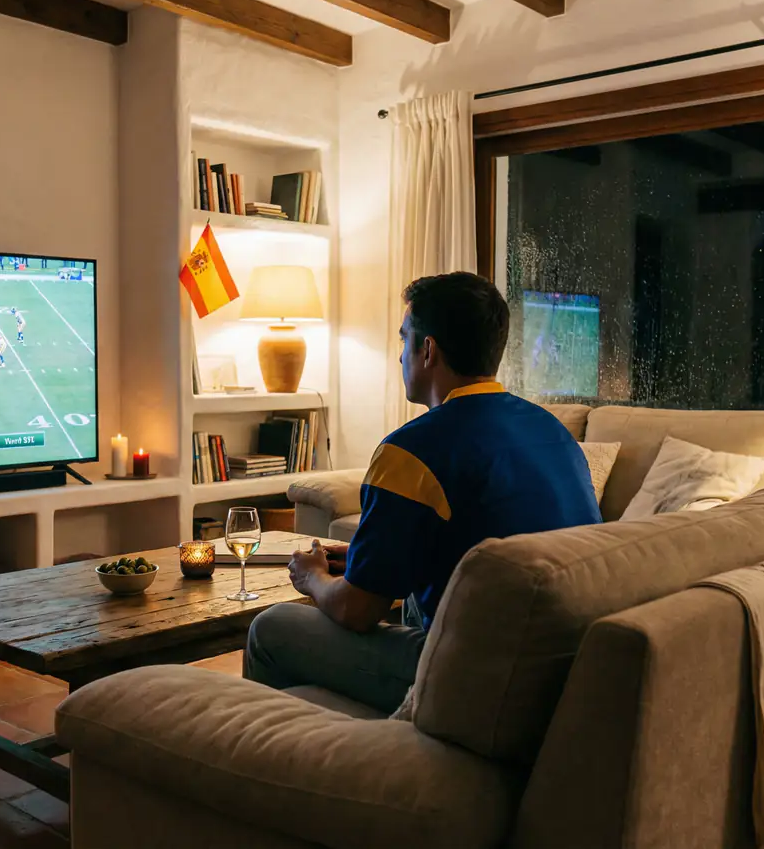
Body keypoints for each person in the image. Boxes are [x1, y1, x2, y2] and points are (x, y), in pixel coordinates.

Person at [244, 272, 602, 714]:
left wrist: (311, 577)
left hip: (476, 681)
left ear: (427, 349)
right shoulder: (554, 432)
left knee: (270, 627)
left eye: (404, 339)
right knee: (414, 591)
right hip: (563, 669)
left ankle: (277, 749)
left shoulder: (410, 450)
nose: (400, 356)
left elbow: (357, 611)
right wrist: (370, 557)